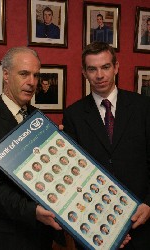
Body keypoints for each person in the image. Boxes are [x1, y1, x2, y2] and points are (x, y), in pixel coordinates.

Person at [63, 41, 150, 249]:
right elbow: (75, 175)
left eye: (105, 67)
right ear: (84, 72)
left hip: (142, 221)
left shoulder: (143, 107)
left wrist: (149, 203)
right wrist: (100, 226)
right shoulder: (73, 114)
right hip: (95, 228)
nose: (99, 75)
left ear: (116, 67)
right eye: (92, 69)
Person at [0, 46, 63, 250]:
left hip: (42, 237)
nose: (32, 82)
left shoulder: (41, 120)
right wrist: (32, 211)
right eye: (24, 74)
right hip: (4, 238)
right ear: (6, 75)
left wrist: (61, 148)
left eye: (36, 75)